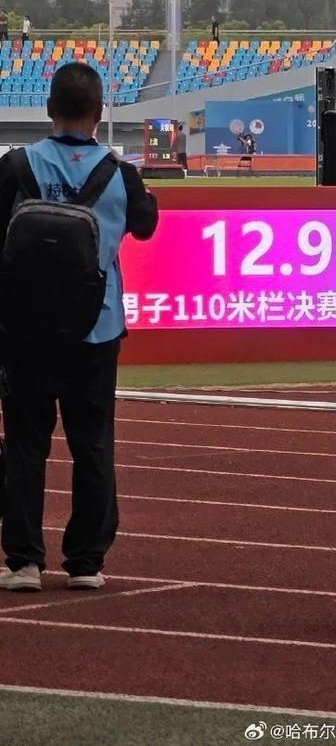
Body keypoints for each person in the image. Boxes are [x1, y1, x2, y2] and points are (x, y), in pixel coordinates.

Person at [0, 62, 158, 592]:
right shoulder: (120, 173)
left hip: (23, 329)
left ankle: (23, 560)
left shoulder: (15, 166)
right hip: (97, 326)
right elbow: (145, 226)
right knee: (92, 444)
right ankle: (87, 561)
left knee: (25, 445)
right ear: (99, 111)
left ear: (48, 109)